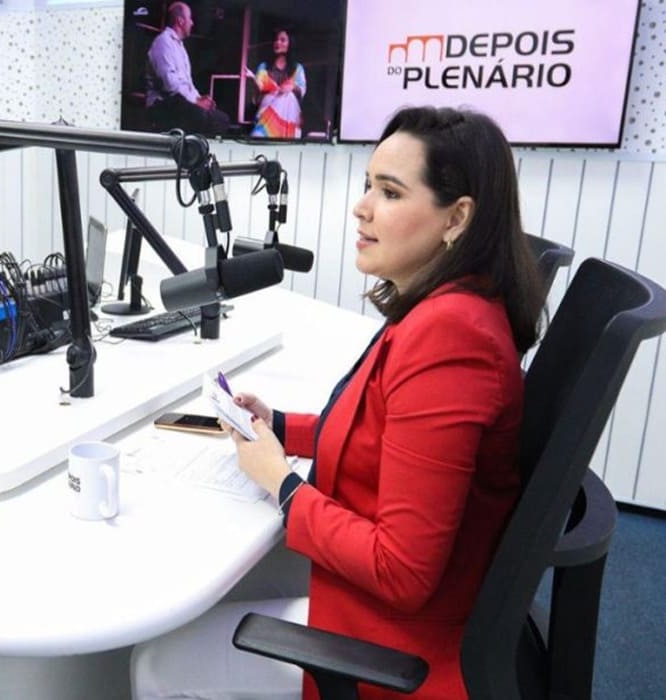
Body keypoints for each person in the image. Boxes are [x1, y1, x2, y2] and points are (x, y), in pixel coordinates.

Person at [131, 106, 545, 699]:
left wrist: (282, 483)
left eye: (390, 192)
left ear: (457, 218)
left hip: (400, 652)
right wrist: (280, 426)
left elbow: (402, 572)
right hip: (403, 617)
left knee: (157, 662)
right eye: (368, 185)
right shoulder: (453, 308)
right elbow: (386, 432)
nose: (362, 208)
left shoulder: (452, 338)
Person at [145, 1, 230, 136]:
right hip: (162, 104)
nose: (192, 23)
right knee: (200, 116)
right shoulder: (163, 43)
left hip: (180, 102)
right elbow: (170, 85)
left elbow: (187, 83)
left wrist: (200, 98)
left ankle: (198, 146)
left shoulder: (180, 47)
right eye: (190, 18)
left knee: (222, 119)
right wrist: (195, 102)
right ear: (180, 21)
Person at [249, 29, 306, 139]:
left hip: (289, 112)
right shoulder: (264, 67)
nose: (277, 42)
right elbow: (257, 94)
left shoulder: (297, 68)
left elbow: (302, 90)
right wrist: (257, 83)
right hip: (266, 110)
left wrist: (292, 87)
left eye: (282, 40)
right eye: (276, 40)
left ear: (290, 44)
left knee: (288, 96)